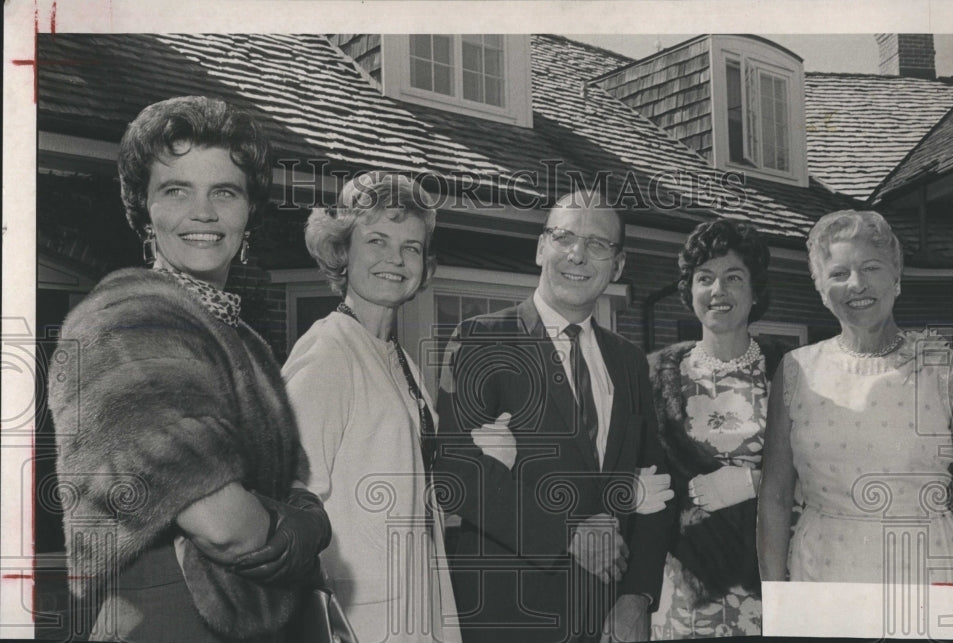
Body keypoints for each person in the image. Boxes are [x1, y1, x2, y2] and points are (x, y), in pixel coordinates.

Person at [48, 96, 331, 641]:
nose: (203, 212)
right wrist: (308, 525)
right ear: (145, 209)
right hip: (168, 619)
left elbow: (284, 484)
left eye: (224, 191)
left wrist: (300, 510)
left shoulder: (240, 337)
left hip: (259, 620)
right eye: (176, 190)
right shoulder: (128, 323)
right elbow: (224, 528)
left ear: (249, 211)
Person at [436, 191, 673, 643]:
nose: (578, 254)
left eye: (598, 244)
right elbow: (457, 474)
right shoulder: (481, 340)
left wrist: (637, 596)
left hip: (606, 620)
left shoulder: (627, 361)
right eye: (564, 237)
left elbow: (656, 483)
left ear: (618, 266)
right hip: (509, 617)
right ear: (541, 247)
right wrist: (567, 534)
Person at [282, 172, 460, 642]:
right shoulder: (329, 351)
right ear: (343, 251)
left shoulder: (397, 359)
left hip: (417, 608)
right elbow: (289, 498)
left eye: (411, 247)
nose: (395, 260)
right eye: (377, 240)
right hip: (358, 620)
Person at [757, 209, 953, 583]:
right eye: (839, 274)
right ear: (822, 289)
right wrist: (777, 602)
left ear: (896, 277)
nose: (856, 284)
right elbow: (774, 497)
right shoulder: (796, 370)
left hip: (926, 569)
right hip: (824, 569)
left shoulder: (947, 370)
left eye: (871, 268)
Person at [646, 219, 786, 638]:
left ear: (755, 290)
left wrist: (756, 481)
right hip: (686, 588)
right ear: (689, 290)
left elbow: (826, 469)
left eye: (733, 277)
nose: (717, 291)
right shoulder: (655, 373)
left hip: (772, 576)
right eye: (704, 278)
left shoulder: (790, 369)